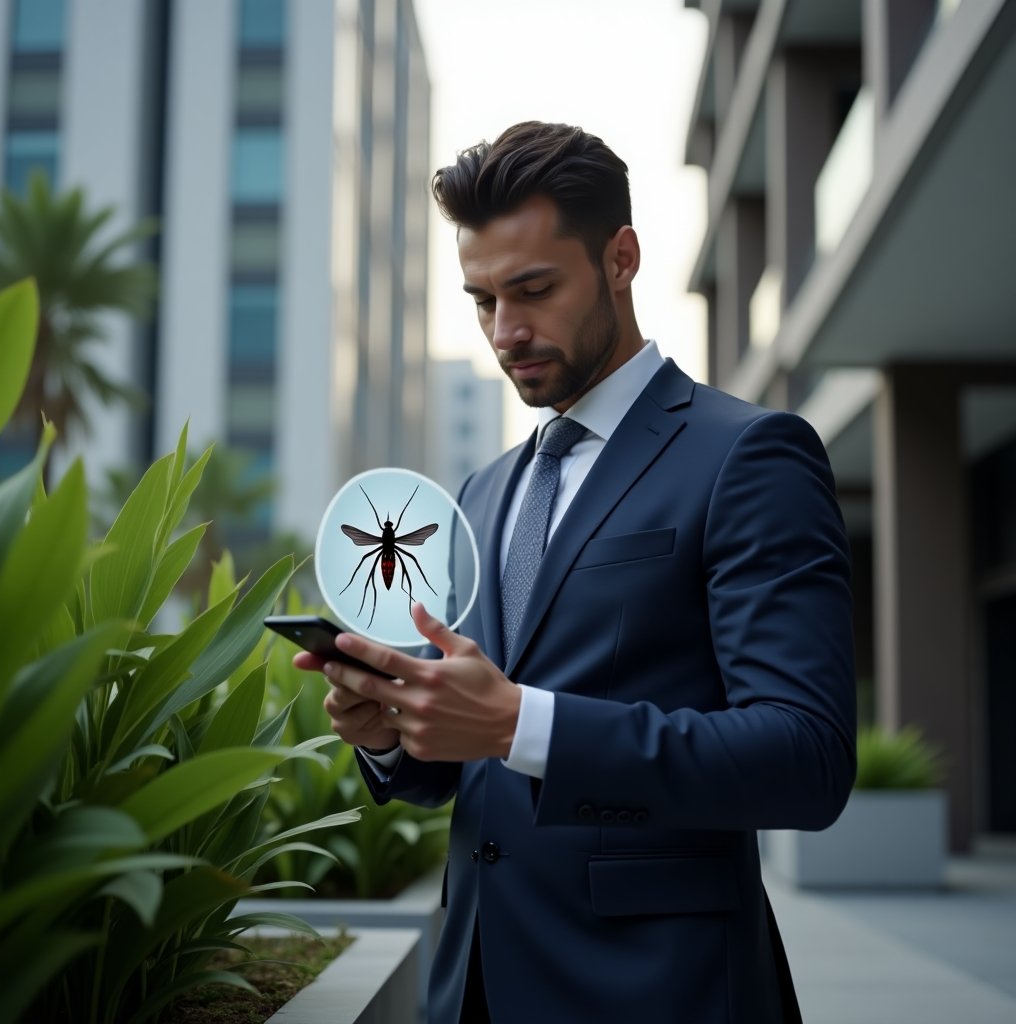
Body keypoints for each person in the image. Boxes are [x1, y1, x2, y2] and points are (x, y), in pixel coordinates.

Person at [294, 121, 856, 1023]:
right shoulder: (482, 491)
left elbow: (806, 758)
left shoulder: (749, 455)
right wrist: (392, 732)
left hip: (658, 991)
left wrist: (522, 720)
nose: (505, 331)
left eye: (534, 289)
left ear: (621, 258)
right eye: (481, 301)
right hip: (473, 987)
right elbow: (469, 764)